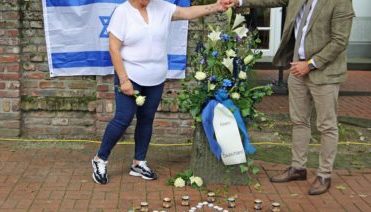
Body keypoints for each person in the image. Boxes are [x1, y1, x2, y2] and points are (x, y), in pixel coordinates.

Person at [223, 0, 355, 195]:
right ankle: (298, 168)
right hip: (297, 70)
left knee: (326, 126)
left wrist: (310, 64)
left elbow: (340, 41)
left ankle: (324, 175)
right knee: (299, 121)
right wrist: (240, 1)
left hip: (324, 73)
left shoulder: (341, 2)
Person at [92, 0, 230, 184]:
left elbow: (186, 13)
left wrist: (216, 6)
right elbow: (113, 48)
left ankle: (139, 162)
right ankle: (100, 159)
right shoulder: (122, 12)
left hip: (156, 77)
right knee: (123, 118)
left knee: (146, 119)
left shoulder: (162, 7)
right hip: (130, 76)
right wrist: (124, 79)